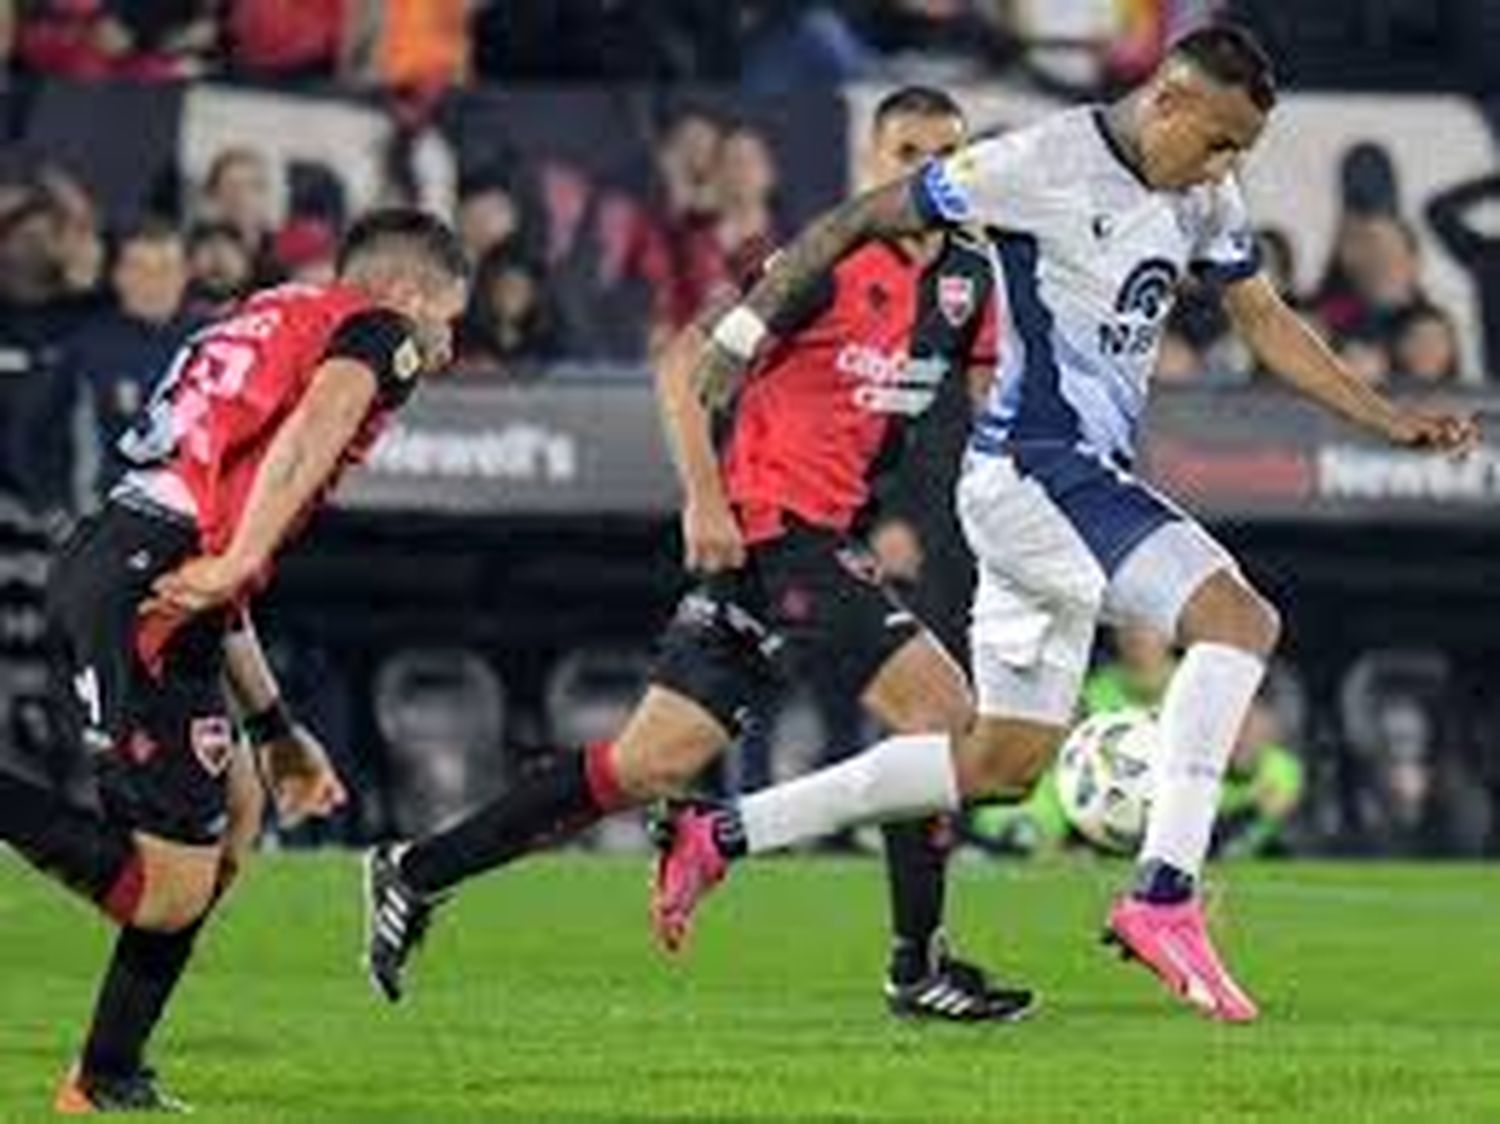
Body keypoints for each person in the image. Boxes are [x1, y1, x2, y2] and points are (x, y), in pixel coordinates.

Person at [649, 24, 1477, 1024]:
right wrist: (744, 329)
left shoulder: (1203, 192)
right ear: (1167, 98)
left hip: (1049, 487)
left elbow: (1263, 321)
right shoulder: (1039, 162)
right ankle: (1163, 893)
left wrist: (1387, 418)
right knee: (1239, 620)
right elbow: (860, 215)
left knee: (998, 763)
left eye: (1241, 152)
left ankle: (718, 832)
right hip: (1039, 470)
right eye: (1217, 140)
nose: (1225, 167)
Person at [365, 87, 1034, 1023]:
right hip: (771, 527)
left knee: (642, 765)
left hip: (822, 535)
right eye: (906, 150)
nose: (927, 168)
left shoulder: (971, 275)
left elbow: (987, 402)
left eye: (947, 152)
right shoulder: (824, 260)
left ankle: (415, 869)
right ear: (868, 163)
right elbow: (683, 363)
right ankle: (914, 962)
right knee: (943, 713)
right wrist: (704, 497)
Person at [0, 209, 469, 1112]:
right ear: (410, 295)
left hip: (135, 559)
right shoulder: (378, 333)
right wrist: (242, 557)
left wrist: (278, 726)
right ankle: (99, 1078)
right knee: (162, 894)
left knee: (242, 808)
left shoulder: (269, 310)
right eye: (450, 318)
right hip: (144, 579)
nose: (447, 345)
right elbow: (310, 437)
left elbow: (220, 559)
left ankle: (106, 1073)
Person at [56, 221, 202, 499]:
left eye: (166, 269)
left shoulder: (215, 341)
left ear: (186, 274)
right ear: (118, 276)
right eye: (139, 269)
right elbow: (50, 436)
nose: (154, 281)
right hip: (111, 510)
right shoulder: (87, 345)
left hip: (196, 513)